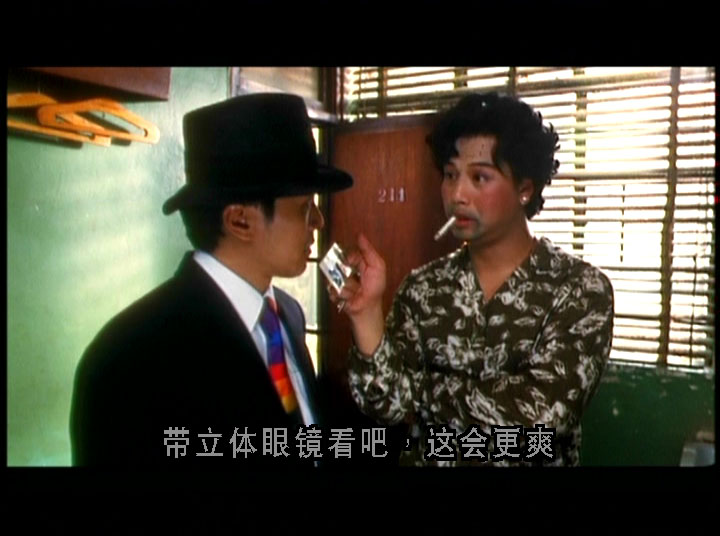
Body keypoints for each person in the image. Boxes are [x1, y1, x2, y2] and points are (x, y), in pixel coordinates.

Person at [331, 92, 614, 466]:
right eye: (450, 175)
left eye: (479, 177)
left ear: (525, 188)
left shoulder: (579, 289)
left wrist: (421, 389)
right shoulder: (423, 289)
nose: (457, 194)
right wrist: (366, 314)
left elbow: (540, 420)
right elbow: (387, 405)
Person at [70, 93, 353, 467]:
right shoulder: (130, 359)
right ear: (239, 220)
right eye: (304, 207)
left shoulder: (286, 315)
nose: (318, 220)